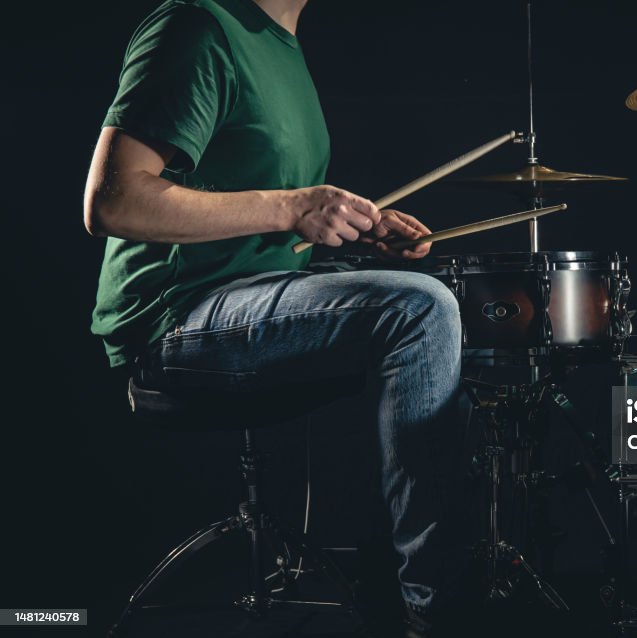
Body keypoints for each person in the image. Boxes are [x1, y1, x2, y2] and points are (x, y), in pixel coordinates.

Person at [84, 0, 462, 634]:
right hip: (176, 320)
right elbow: (113, 200)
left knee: (435, 293)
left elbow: (259, 212)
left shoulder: (283, 44)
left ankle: (389, 578)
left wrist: (356, 227)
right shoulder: (198, 24)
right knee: (419, 308)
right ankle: (437, 616)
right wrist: (295, 206)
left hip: (254, 294)